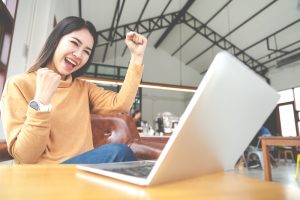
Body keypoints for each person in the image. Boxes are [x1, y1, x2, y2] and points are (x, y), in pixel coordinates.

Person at [1, 16, 147, 164]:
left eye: (86, 51)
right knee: (119, 152)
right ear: (56, 41)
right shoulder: (18, 84)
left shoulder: (83, 88)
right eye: (74, 43)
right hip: (42, 176)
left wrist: (136, 56)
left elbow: (121, 104)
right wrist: (41, 102)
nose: (78, 55)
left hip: (80, 173)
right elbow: (25, 156)